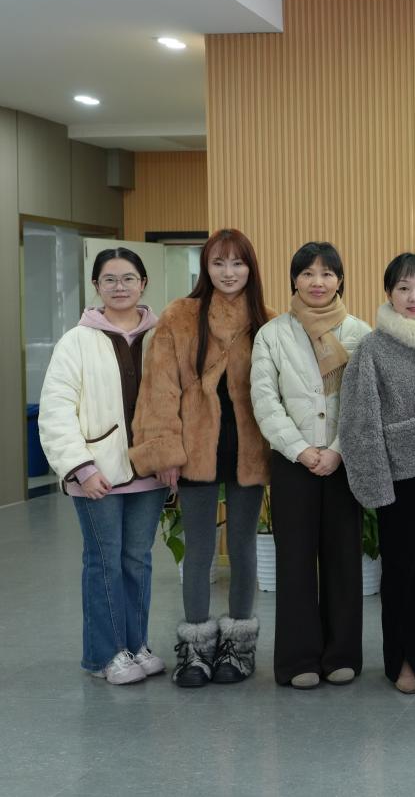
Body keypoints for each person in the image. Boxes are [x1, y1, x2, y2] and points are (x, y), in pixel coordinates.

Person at [131, 228, 274, 688]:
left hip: (249, 449)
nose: (228, 272)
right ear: (205, 267)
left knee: (244, 545)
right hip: (194, 450)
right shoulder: (180, 316)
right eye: (218, 263)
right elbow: (158, 389)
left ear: (250, 268)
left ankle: (238, 645)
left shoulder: (267, 321)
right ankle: (195, 648)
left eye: (237, 263)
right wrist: (165, 450)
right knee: (198, 549)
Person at [39, 248, 169, 685]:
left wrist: (170, 459)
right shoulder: (75, 342)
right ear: (96, 286)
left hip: (149, 473)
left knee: (138, 561)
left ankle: (135, 644)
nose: (120, 287)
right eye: (109, 279)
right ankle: (105, 655)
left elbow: (177, 401)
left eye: (128, 278)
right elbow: (56, 410)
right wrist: (81, 467)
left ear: (143, 283)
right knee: (103, 561)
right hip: (97, 474)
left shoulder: (162, 337)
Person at [340, 252, 415, 694]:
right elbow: (358, 421)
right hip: (401, 475)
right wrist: (374, 483)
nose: (414, 297)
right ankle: (403, 660)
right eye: (404, 288)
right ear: (389, 294)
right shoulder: (373, 348)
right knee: (402, 569)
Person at [251, 242, 371, 689]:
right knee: (295, 561)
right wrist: (301, 449)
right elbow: (265, 400)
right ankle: (297, 659)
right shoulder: (272, 334)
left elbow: (364, 402)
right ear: (294, 280)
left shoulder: (360, 333)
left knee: (343, 560)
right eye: (307, 273)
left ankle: (341, 654)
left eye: (327, 273)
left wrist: (337, 449)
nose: (317, 282)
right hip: (292, 460)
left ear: (340, 280)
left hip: (344, 460)